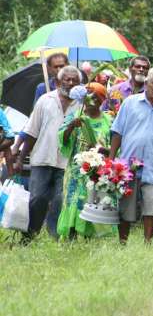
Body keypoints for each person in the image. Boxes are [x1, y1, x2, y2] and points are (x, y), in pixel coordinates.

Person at [110, 67, 153, 243]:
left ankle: (147, 243)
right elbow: (117, 132)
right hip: (127, 166)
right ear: (146, 83)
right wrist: (110, 160)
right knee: (126, 208)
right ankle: (122, 242)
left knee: (152, 207)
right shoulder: (130, 103)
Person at [15, 66, 82, 240]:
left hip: (67, 162)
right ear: (58, 82)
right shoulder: (45, 100)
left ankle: (55, 236)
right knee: (37, 199)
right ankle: (29, 235)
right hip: (42, 158)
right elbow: (31, 131)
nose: (70, 83)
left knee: (60, 200)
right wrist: (20, 158)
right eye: (67, 79)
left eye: (75, 80)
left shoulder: (82, 105)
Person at [57, 83, 113, 239]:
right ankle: (71, 236)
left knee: (94, 200)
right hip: (76, 171)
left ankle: (91, 237)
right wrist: (71, 127)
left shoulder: (109, 120)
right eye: (89, 95)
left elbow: (116, 147)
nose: (92, 99)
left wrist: (101, 150)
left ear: (102, 100)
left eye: (97, 96)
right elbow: (62, 140)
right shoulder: (75, 116)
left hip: (98, 170)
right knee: (74, 200)